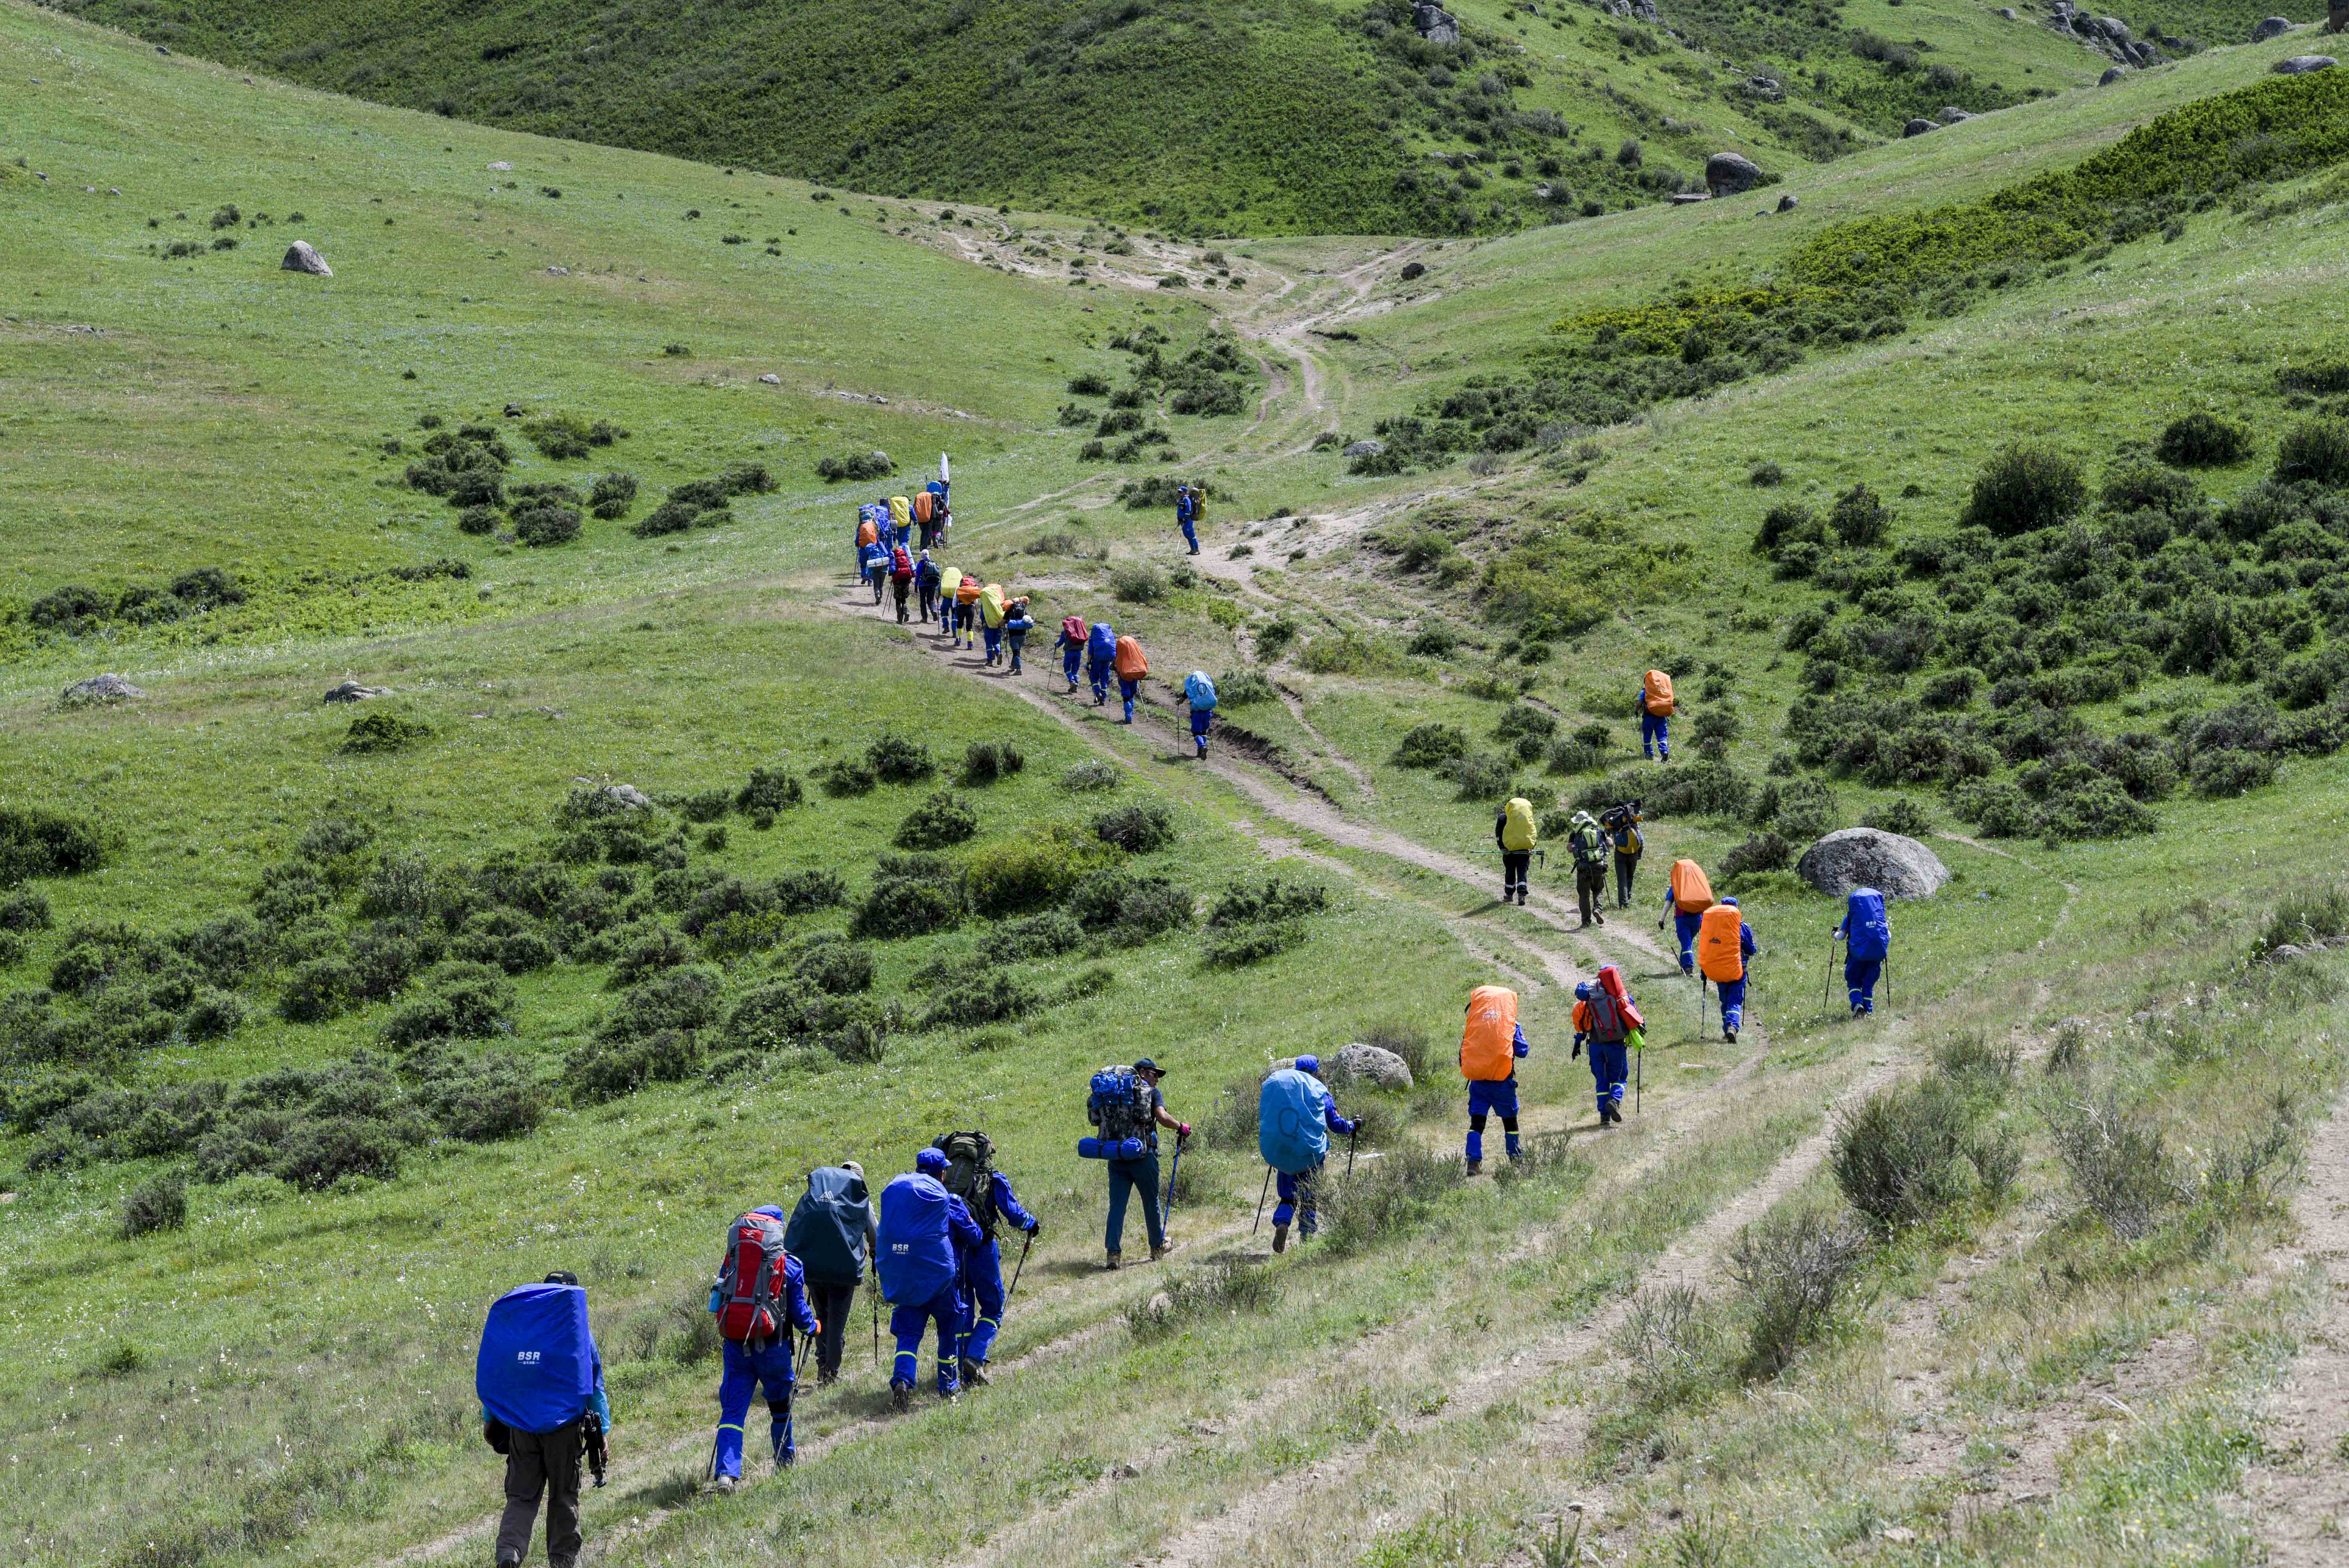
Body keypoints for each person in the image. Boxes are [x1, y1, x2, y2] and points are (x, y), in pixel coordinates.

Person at [477, 1271, 612, 1568]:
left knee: (522, 1498)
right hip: (564, 1428)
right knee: (563, 1496)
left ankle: (509, 1554)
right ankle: (562, 1562)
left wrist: (491, 1416)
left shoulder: (524, 1328)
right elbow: (593, 1382)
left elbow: (502, 1375)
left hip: (522, 1427)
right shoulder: (577, 1331)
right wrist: (603, 1431)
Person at [706, 1208, 819, 1490]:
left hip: (736, 1346)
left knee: (733, 1412)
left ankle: (726, 1474)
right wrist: (813, 1327)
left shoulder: (732, 1260)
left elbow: (718, 1301)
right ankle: (784, 1463)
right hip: (774, 1348)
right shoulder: (789, 1265)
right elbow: (801, 1314)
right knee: (780, 1407)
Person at [928, 1130, 1040, 1387]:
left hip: (953, 1251)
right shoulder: (993, 1180)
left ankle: (961, 1369)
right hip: (982, 1251)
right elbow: (1014, 1214)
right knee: (992, 1307)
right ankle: (976, 1358)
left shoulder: (941, 1183)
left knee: (963, 1309)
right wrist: (1032, 1225)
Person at [877, 1147, 985, 1408]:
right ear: (943, 1173)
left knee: (908, 1335)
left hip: (906, 1278)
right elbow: (975, 1236)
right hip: (939, 1282)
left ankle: (902, 1381)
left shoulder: (903, 1197)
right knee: (948, 1330)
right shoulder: (946, 1199)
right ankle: (948, 1388)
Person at [782, 1162, 876, 1387]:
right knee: (836, 1323)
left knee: (821, 1316)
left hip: (814, 1269)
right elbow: (875, 1232)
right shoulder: (860, 1200)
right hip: (843, 1273)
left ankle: (822, 1363)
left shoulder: (819, 1196)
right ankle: (830, 1373)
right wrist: (875, 1253)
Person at [1094, 1057, 1188, 1268]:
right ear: (1143, 1073)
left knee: (1117, 1206)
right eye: (1155, 1074)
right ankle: (1157, 1247)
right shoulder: (1151, 1094)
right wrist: (1180, 1126)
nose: (1157, 1080)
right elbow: (1162, 1118)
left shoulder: (1115, 1095)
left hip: (1117, 1156)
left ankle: (1113, 1255)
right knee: (1151, 1201)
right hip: (1144, 1157)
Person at [1258, 1055, 1357, 1253]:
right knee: (1310, 1198)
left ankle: (1282, 1224)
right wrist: (1353, 1126)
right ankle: (1307, 1238)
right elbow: (1336, 1124)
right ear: (1315, 1071)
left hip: (1284, 1153)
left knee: (1288, 1198)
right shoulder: (1320, 1090)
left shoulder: (1283, 1088)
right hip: (1310, 1156)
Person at [1458, 985, 1527, 1174]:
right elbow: (1523, 1051)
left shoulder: (1476, 1021)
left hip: (1478, 1082)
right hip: (1502, 1082)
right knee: (1510, 1121)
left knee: (1477, 1122)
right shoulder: (1511, 1023)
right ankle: (1515, 1159)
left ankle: (1473, 1162)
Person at [1572, 966, 1645, 1126]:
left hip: (1596, 1046)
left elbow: (1582, 1026)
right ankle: (1615, 1100)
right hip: (1616, 1045)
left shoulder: (1589, 1001)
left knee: (1602, 1080)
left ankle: (1604, 1117)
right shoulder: (1620, 998)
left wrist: (1577, 1043)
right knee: (1620, 1078)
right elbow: (1635, 1017)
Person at [1698, 895, 1758, 1044]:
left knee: (1725, 1001)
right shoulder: (1742, 927)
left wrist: (1704, 971)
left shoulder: (1712, 929)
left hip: (1718, 972)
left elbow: (1707, 950)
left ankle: (1727, 1030)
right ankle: (1732, 1026)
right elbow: (1751, 950)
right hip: (1737, 971)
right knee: (1735, 1001)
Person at [1835, 886, 1890, 1018]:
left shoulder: (1850, 917)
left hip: (1857, 956)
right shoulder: (1879, 917)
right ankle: (1868, 1011)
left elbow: (1841, 937)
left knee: (1854, 981)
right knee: (1868, 984)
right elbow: (1888, 935)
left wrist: (1834, 934)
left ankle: (1857, 1004)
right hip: (1876, 956)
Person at [1656, 857, 1715, 978]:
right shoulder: (1697, 884)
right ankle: (1684, 967)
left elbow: (1668, 903)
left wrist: (1662, 919)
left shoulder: (1677, 886)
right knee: (1687, 943)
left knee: (1687, 944)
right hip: (1698, 919)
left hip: (1683, 919)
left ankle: (1689, 968)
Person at [1567, 809, 1609, 927]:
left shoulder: (1575, 833)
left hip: (1583, 867)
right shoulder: (1598, 830)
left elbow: (1570, 849)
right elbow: (1609, 843)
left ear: (1578, 822)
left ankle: (1586, 922)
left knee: (1584, 895)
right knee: (1598, 890)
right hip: (1599, 865)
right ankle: (1597, 910)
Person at [1494, 794, 1536, 906]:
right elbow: (1532, 833)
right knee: (1523, 871)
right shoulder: (1527, 818)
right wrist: (1531, 848)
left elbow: (1499, 834)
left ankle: (1509, 895)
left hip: (1509, 851)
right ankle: (1522, 896)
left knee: (1510, 871)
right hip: (1524, 850)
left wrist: (1502, 848)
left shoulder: (1503, 818)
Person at [1603, 802, 1644, 909]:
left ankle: (1623, 903)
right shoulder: (1631, 818)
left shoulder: (1614, 821)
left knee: (1622, 879)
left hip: (1620, 853)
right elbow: (1640, 836)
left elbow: (1605, 835)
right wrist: (1639, 853)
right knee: (1630, 877)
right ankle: (1628, 899)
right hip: (1634, 852)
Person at [1638, 669, 1674, 763]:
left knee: (1648, 735)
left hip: (1649, 717)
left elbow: (1640, 702)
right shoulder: (1661, 691)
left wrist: (1636, 711)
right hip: (1661, 717)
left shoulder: (1645, 692)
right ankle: (1664, 751)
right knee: (1662, 736)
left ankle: (1649, 754)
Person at [1113, 633, 1149, 723]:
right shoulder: (1135, 649)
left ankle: (1128, 717)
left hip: (1125, 676)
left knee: (1126, 697)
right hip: (1135, 675)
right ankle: (1131, 715)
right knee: (1132, 695)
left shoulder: (1121, 646)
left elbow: (1117, 660)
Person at [1184, 670, 1217, 759]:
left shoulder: (1193, 686)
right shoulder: (1207, 684)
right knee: (1203, 732)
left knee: (1196, 733)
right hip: (1208, 712)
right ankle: (1200, 752)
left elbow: (1186, 693)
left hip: (1197, 713)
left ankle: (1202, 746)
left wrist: (1180, 701)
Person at [1085, 620, 1116, 706]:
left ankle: (1098, 693)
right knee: (1104, 679)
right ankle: (1103, 700)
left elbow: (1090, 651)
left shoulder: (1093, 639)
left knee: (1093, 677)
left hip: (1097, 660)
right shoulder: (1109, 636)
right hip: (1107, 660)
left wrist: (1088, 663)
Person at [1055, 615, 1087, 692]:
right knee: (1075, 671)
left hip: (1070, 652)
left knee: (1067, 669)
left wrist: (1056, 645)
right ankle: (1075, 686)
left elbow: (1060, 643)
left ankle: (1072, 681)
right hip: (1079, 653)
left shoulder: (1066, 632)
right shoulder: (1080, 633)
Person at [979, 582, 1008, 665]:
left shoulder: (985, 603)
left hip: (988, 624)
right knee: (996, 642)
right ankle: (998, 653)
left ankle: (990, 661)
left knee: (989, 642)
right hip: (998, 624)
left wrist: (983, 622)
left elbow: (982, 615)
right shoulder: (998, 601)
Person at [1003, 597, 1034, 675]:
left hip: (1013, 636)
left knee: (1016, 651)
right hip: (1023, 635)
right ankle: (1013, 666)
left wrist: (999, 625)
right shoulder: (1024, 611)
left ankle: (1019, 669)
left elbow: (1002, 622)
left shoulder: (1009, 611)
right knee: (1017, 651)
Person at [956, 574, 982, 651]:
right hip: (971, 608)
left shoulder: (959, 588)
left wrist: (955, 608)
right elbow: (976, 602)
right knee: (970, 626)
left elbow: (955, 600)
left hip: (961, 607)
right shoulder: (973, 589)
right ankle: (970, 644)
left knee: (960, 624)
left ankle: (958, 640)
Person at [915, 551, 942, 624]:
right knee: (931, 600)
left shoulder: (921, 564)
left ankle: (925, 618)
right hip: (933, 585)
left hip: (923, 585)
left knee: (923, 601)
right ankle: (934, 611)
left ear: (922, 556)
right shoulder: (933, 563)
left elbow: (918, 576)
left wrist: (916, 586)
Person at [890, 545, 914, 624]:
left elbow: (892, 571)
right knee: (904, 599)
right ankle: (906, 611)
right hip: (907, 581)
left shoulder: (894, 557)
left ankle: (900, 619)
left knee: (898, 600)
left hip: (898, 582)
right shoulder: (907, 557)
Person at [1175, 483, 1201, 555]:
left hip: (1187, 521)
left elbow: (1188, 511)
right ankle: (1192, 550)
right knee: (1187, 535)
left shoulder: (1187, 500)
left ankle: (1196, 550)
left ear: (1185, 492)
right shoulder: (1182, 499)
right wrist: (1179, 520)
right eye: (1179, 492)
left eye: (1181, 492)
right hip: (1183, 521)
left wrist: (1184, 518)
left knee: (1192, 535)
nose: (1180, 493)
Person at [854, 508, 879, 578]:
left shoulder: (861, 527)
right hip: (872, 546)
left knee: (863, 562)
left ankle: (864, 575)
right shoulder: (873, 525)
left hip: (863, 547)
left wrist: (857, 543)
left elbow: (858, 537)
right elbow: (876, 536)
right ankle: (871, 579)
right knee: (872, 562)